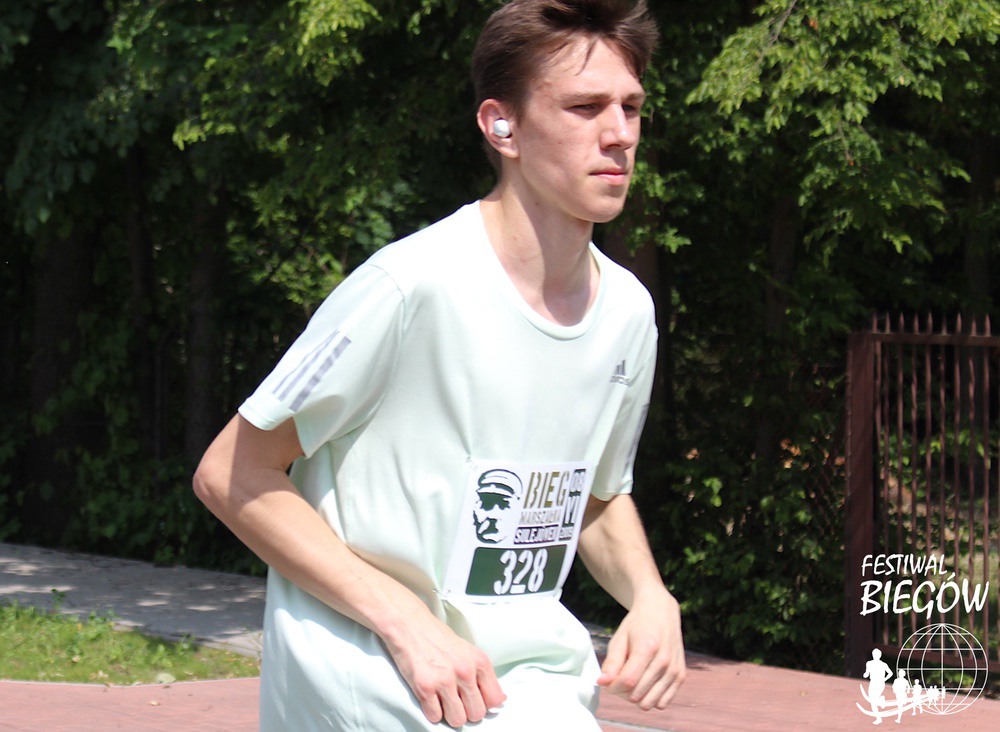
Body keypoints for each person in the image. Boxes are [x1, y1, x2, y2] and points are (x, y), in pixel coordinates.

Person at [193, 0, 685, 729]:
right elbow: (231, 473)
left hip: (525, 685)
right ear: (502, 125)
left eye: (631, 107)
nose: (619, 133)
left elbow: (594, 496)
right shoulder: (407, 287)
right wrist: (407, 623)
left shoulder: (627, 315)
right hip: (376, 675)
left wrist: (650, 595)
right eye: (585, 107)